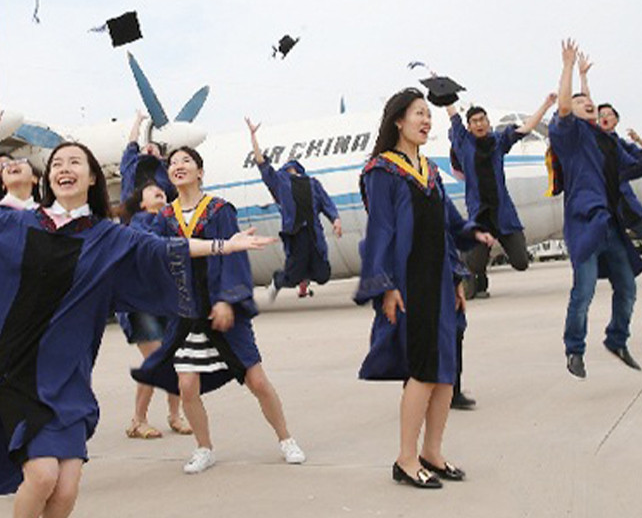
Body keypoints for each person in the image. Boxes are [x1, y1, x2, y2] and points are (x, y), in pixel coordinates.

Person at [0, 141, 271, 518]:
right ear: (49, 179)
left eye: (75, 162)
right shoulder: (14, 223)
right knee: (43, 476)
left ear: (92, 177)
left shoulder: (107, 236)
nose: (65, 168)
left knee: (66, 491)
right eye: (58, 163)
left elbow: (164, 248)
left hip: (65, 377)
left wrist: (224, 245)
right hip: (14, 370)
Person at [132, 146, 306, 474]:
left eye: (186, 161)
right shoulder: (165, 218)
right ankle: (204, 448)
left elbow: (234, 256)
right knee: (187, 386)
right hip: (186, 314)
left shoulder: (219, 210)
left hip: (222, 311)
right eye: (173, 163)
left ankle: (286, 439)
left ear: (200, 172)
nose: (178, 166)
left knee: (256, 381)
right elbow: (151, 252)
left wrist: (227, 299)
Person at [355, 88, 494, 489]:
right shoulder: (382, 171)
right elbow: (381, 230)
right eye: (419, 113)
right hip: (409, 282)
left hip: (439, 281)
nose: (426, 120)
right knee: (422, 370)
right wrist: (385, 286)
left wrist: (459, 271)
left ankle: (432, 452)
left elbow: (449, 224)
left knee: (445, 372)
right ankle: (406, 458)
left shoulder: (430, 171)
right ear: (398, 120)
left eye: (428, 115)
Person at [548, 41, 642, 379]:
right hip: (585, 226)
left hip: (611, 226)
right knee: (583, 291)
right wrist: (568, 67)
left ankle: (617, 340)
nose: (589, 104)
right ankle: (574, 349)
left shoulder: (607, 141)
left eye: (590, 102)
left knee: (627, 287)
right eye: (582, 102)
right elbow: (567, 108)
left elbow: (633, 167)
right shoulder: (568, 136)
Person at [446, 91, 557, 299]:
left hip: (503, 214)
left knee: (521, 262)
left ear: (488, 123)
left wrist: (546, 104)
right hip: (480, 216)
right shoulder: (463, 143)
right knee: (475, 265)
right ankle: (466, 262)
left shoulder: (498, 142)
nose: (479, 124)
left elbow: (526, 128)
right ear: (469, 126)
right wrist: (445, 95)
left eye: (482, 120)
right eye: (474, 121)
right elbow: (453, 115)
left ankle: (493, 249)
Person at [115, 181, 192, 439]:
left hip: (166, 302)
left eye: (162, 190)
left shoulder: (171, 223)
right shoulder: (135, 227)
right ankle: (138, 420)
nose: (159, 191)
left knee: (175, 358)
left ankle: (175, 415)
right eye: (151, 190)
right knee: (158, 359)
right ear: (141, 203)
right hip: (139, 304)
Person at [245, 117, 342, 300]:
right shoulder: (280, 182)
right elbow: (262, 163)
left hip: (314, 233)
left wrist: (335, 219)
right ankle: (278, 280)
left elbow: (326, 203)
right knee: (292, 276)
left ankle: (304, 278)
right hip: (296, 234)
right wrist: (253, 136)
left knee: (323, 274)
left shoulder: (312, 183)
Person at [597, 104, 642, 289]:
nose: (604, 117)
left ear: (616, 120)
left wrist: (639, 140)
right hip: (603, 203)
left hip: (624, 201)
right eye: (601, 115)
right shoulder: (593, 142)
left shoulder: (620, 144)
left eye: (608, 114)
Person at [119, 110, 176, 202]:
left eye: (154, 147)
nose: (149, 147)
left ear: (160, 156)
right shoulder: (130, 161)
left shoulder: (165, 168)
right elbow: (133, 140)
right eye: (145, 147)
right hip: (131, 207)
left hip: (159, 207)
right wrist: (139, 120)